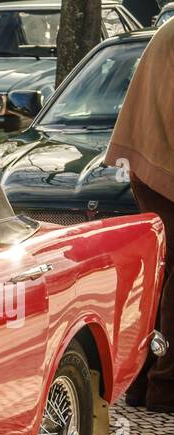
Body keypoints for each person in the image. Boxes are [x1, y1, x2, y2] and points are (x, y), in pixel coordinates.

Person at [106, 20, 174, 412]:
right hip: (161, 166)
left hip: (153, 163)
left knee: (163, 275)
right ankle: (164, 387)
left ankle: (142, 383)